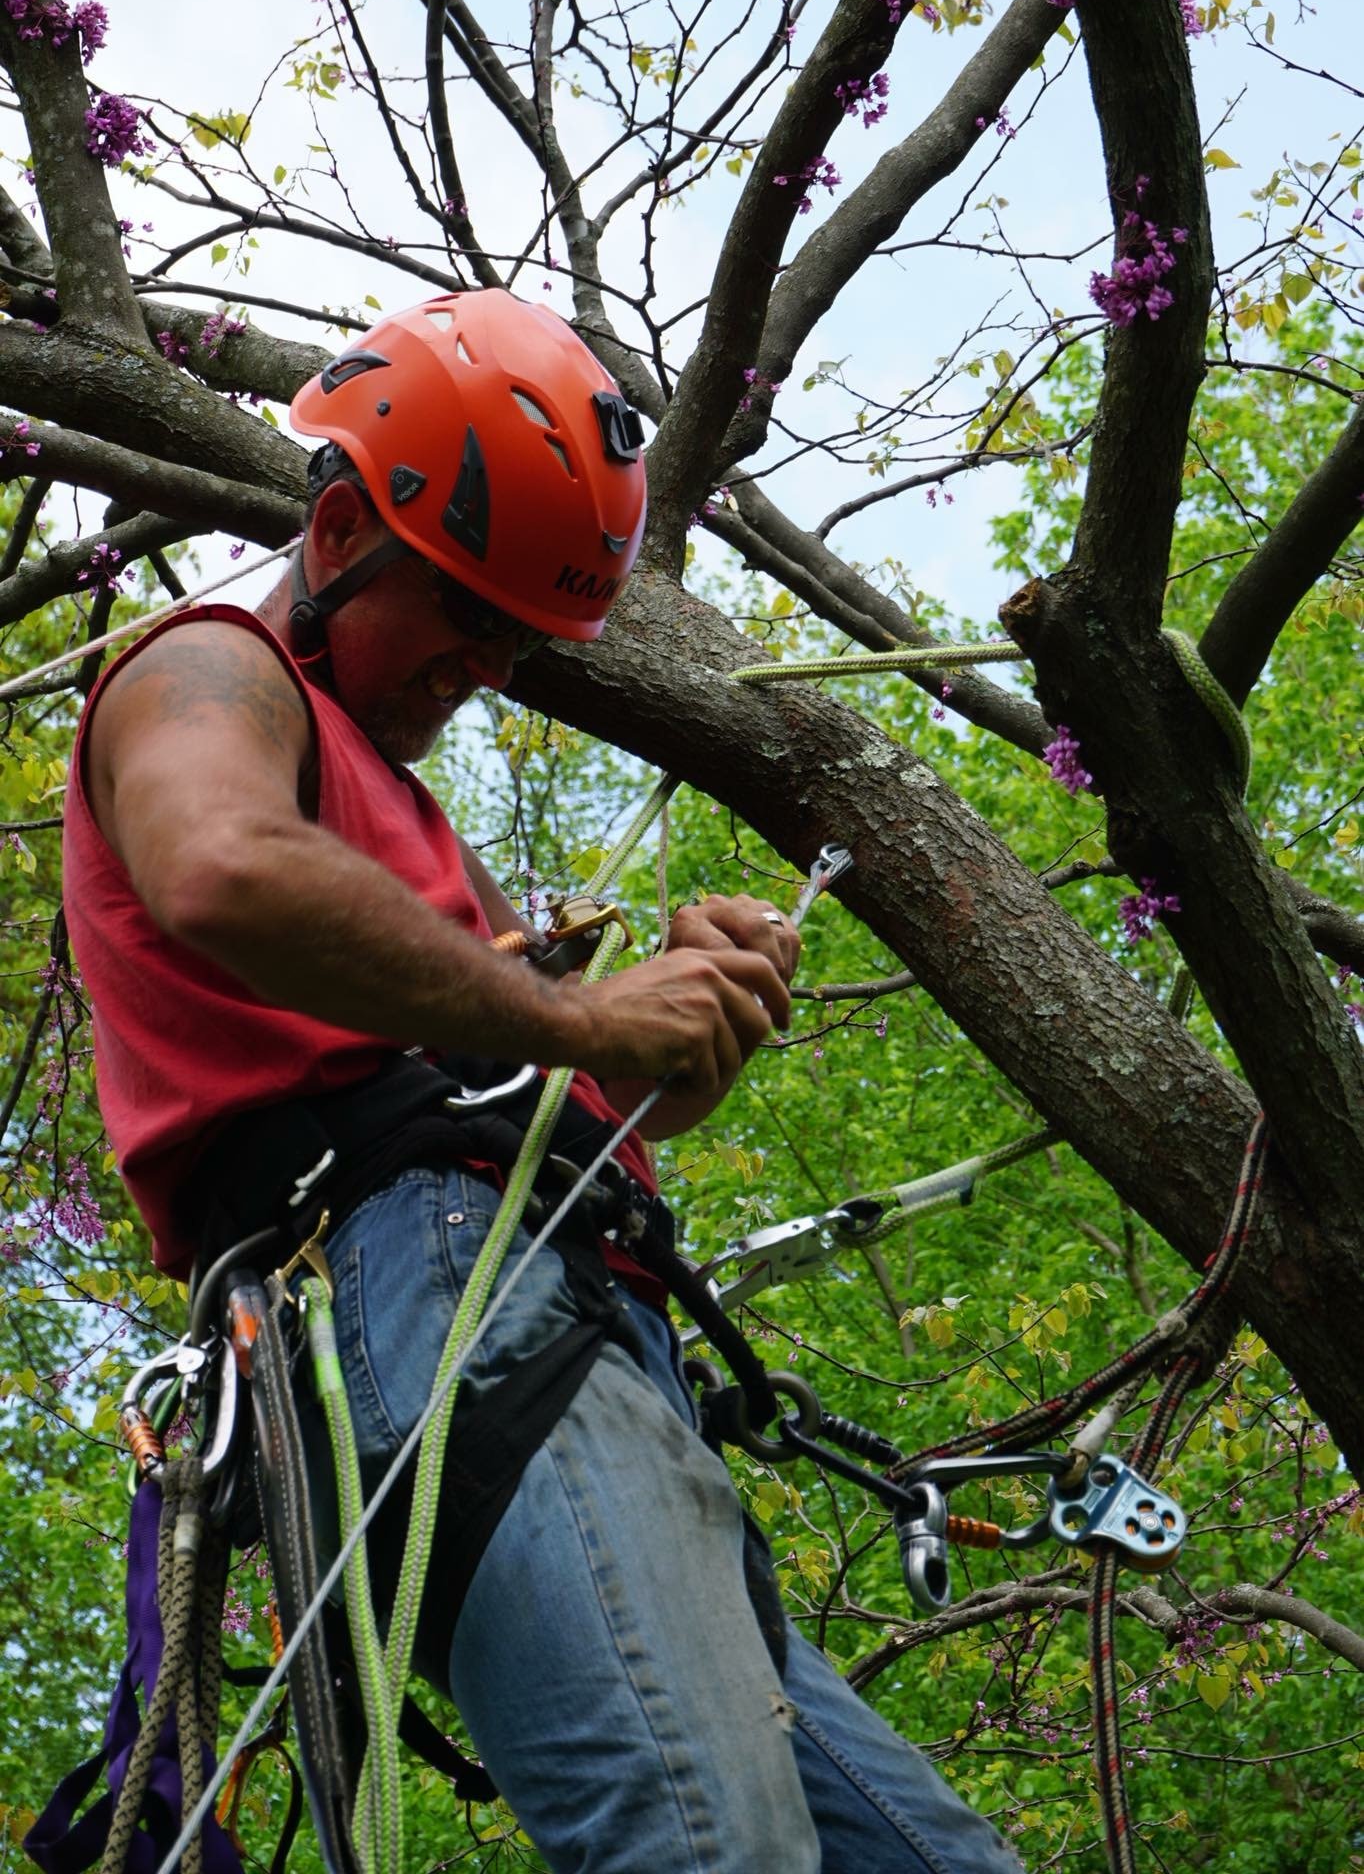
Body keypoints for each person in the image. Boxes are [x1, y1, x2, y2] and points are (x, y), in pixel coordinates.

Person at [62, 290, 1021, 1873]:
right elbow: (219, 867)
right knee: (702, 1848)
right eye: (466, 612)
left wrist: (683, 1033)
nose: (486, 666)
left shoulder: (409, 834)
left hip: (554, 1308)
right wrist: (578, 1019)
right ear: (347, 518)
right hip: (416, 1295)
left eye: (519, 635)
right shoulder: (211, 678)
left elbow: (551, 1108)